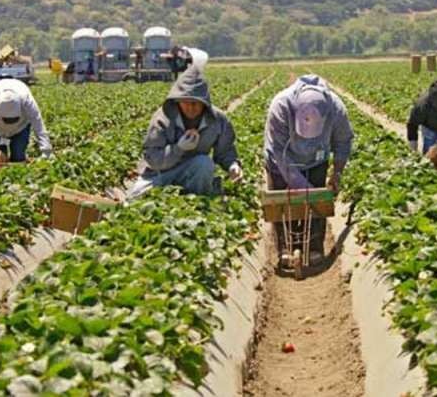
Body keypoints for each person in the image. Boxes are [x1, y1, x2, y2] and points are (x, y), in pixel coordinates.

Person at [264, 74, 354, 265]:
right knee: (282, 202)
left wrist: (336, 172)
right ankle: (285, 247)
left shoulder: (336, 109)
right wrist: (302, 186)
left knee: (317, 201)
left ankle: (314, 247)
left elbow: (343, 141)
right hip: (282, 160)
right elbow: (278, 151)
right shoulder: (280, 106)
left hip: (316, 158)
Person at [127, 65, 242, 198]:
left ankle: (196, 200)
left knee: (204, 163)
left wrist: (232, 165)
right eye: (185, 102)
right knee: (134, 198)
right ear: (177, 101)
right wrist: (178, 148)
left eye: (195, 103)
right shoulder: (162, 119)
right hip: (161, 174)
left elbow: (225, 151)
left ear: (204, 103)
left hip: (194, 171)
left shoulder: (217, 120)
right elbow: (153, 158)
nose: (190, 108)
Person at [0, 78, 53, 163]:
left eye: (13, 119)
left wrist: (46, 152)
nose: (9, 123)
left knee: (18, 156)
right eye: (6, 119)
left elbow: (39, 128)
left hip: (20, 129)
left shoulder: (26, 101)